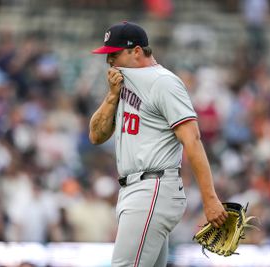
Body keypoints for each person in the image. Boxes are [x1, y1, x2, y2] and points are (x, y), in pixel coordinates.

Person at [89, 21, 228, 267]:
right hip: (135, 190)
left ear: (137, 52)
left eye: (114, 54)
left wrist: (210, 198)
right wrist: (111, 96)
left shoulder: (164, 82)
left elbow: (192, 140)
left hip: (152, 187)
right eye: (107, 56)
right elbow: (96, 136)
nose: (109, 61)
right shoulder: (123, 84)